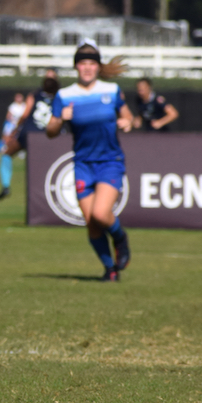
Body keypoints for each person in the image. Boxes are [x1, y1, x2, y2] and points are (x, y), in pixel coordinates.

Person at [46, 39, 132, 281]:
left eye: (91, 63)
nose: (87, 68)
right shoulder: (64, 95)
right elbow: (50, 132)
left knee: (101, 214)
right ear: (76, 67)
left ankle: (120, 237)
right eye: (82, 63)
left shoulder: (112, 91)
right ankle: (110, 269)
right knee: (91, 224)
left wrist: (127, 122)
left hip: (109, 161)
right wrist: (60, 119)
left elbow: (128, 116)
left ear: (98, 67)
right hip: (83, 164)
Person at [0, 71, 61, 200]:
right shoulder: (60, 96)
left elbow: (25, 115)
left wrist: (14, 131)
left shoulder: (35, 94)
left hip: (29, 133)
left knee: (7, 155)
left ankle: (6, 185)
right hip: (47, 135)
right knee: (46, 165)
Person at [0, 92, 24, 160]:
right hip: (11, 125)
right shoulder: (13, 106)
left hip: (19, 126)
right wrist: (12, 122)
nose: (19, 99)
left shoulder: (24, 105)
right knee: (5, 139)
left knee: (17, 139)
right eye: (17, 97)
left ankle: (20, 152)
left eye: (20, 97)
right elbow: (8, 116)